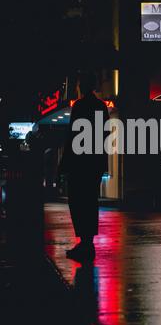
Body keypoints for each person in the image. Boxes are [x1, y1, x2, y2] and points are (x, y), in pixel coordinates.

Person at [58, 71, 109, 262]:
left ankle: (85, 242)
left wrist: (64, 164)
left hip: (80, 163)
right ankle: (88, 243)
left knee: (78, 202)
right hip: (94, 162)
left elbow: (72, 137)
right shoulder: (101, 107)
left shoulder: (80, 106)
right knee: (90, 201)